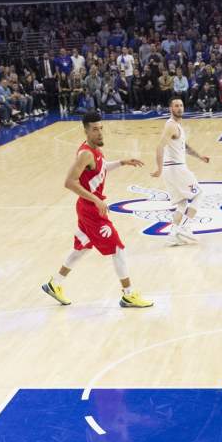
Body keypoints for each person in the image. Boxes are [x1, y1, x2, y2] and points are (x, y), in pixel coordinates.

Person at [41, 110, 153, 308]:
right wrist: (96, 200)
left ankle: (55, 283)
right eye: (95, 129)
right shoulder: (85, 153)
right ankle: (129, 294)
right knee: (117, 248)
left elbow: (100, 168)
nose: (100, 133)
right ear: (86, 131)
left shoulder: (95, 150)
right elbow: (69, 182)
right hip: (91, 209)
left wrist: (121, 162)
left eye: (101, 128)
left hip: (87, 207)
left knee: (83, 247)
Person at [151, 97, 210, 246]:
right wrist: (158, 168)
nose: (179, 108)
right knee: (199, 194)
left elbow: (185, 147)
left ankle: (173, 234)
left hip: (171, 170)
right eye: (176, 106)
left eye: (181, 106)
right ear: (170, 109)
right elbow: (159, 147)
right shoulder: (171, 126)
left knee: (182, 203)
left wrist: (200, 156)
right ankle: (185, 227)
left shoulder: (176, 126)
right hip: (176, 168)